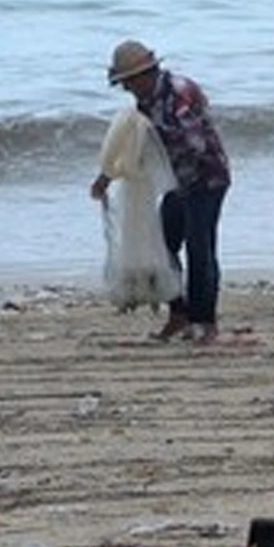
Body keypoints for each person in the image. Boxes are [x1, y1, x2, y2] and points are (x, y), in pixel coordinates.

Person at [90, 40, 231, 345]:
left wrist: (154, 153)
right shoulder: (144, 102)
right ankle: (179, 314)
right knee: (163, 245)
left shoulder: (180, 93)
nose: (127, 88)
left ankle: (205, 322)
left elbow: (194, 145)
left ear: (145, 74)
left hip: (207, 179)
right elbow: (134, 145)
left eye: (128, 81)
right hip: (178, 184)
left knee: (200, 248)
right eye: (123, 83)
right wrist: (106, 176)